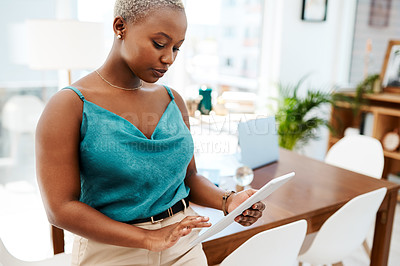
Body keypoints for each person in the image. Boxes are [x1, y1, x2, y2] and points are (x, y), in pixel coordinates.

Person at [35, 0, 265, 265]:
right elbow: (60, 209)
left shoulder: (172, 99)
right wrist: (148, 238)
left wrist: (228, 200)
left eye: (176, 47)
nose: (168, 58)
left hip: (183, 242)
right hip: (112, 250)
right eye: (159, 43)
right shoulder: (69, 105)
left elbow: (188, 176)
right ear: (120, 27)